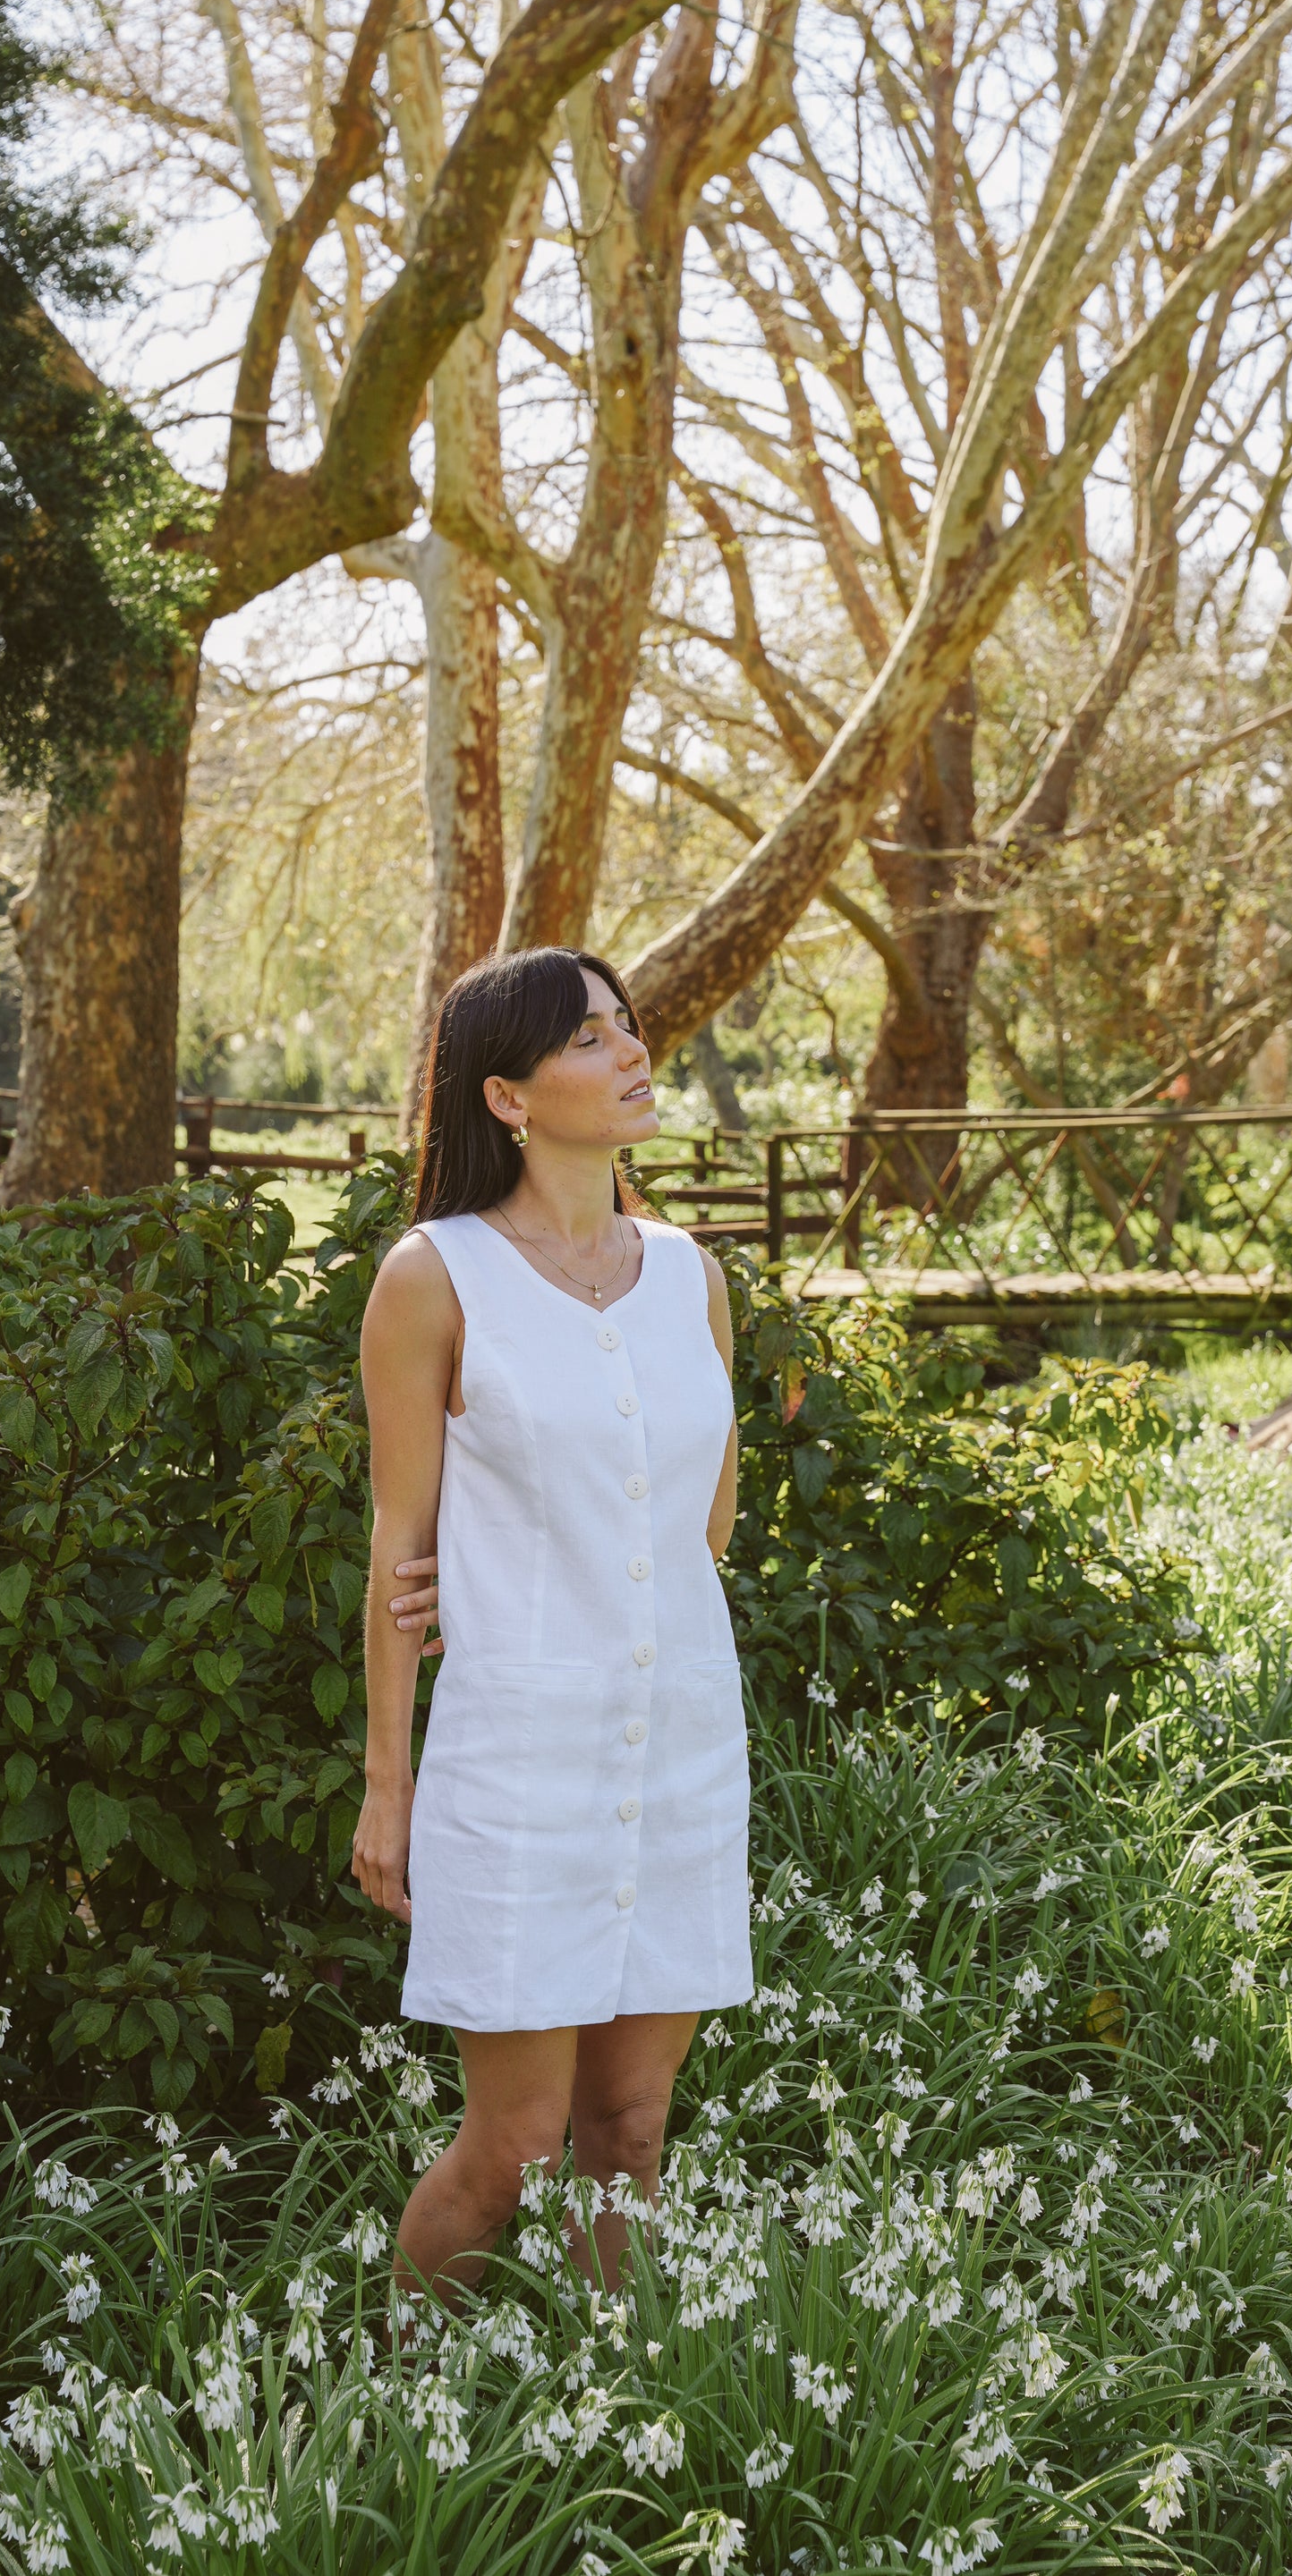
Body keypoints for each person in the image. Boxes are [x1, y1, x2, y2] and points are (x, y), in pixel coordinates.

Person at [352, 945, 752, 2301]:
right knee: (514, 2146)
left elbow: (703, 1523)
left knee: (629, 2138)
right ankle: (389, 2414)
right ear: (507, 1094)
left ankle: (601, 2434)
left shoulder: (692, 1273)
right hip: (518, 1762)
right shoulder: (434, 1276)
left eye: (627, 1025)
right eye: (589, 1038)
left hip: (681, 1746)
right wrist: (387, 1786)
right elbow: (399, 1550)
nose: (632, 1051)